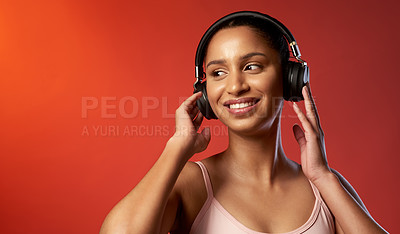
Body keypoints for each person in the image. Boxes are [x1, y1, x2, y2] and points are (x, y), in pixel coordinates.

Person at [100, 11, 387, 234]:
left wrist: (323, 176)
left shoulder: (325, 187)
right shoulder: (191, 183)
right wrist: (176, 148)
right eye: (218, 73)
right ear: (203, 94)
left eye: (252, 67)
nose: (235, 86)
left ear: (290, 79)